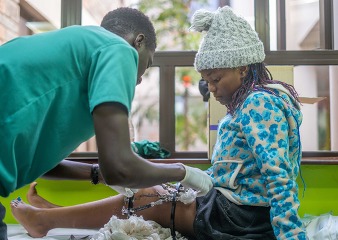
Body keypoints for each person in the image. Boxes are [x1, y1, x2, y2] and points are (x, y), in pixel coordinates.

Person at [9, 6, 308, 240]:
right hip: (233, 208)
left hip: (242, 218)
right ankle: (54, 216)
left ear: (243, 67)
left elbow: (278, 176)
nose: (212, 89)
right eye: (208, 82)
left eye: (215, 80)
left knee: (152, 196)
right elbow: (115, 168)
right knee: (155, 192)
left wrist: (291, 235)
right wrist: (186, 176)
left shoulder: (260, 103)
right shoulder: (244, 107)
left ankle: (48, 220)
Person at [0, 7, 213, 239]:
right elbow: (119, 168)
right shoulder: (118, 49)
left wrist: (96, 173)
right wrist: (183, 172)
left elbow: (37, 162)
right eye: (148, 64)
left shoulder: (78, 46)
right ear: (138, 42)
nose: (140, 79)